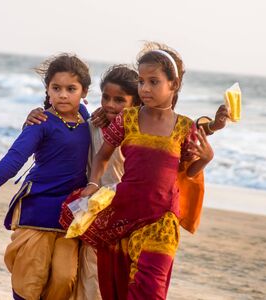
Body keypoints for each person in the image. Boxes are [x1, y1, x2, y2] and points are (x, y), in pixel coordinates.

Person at [80, 42, 214, 300]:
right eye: (142, 82)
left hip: (162, 220)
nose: (145, 88)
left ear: (173, 85)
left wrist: (206, 159)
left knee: (149, 291)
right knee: (117, 287)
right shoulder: (127, 119)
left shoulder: (184, 127)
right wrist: (93, 185)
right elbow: (102, 156)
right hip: (125, 214)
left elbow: (186, 172)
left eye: (154, 82)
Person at [0, 54, 92, 300]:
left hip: (72, 214)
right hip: (37, 208)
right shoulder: (40, 122)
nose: (63, 94)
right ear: (47, 89)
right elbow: (14, 158)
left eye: (71, 89)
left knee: (65, 278)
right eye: (56, 88)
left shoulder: (89, 120)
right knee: (31, 279)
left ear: (84, 92)